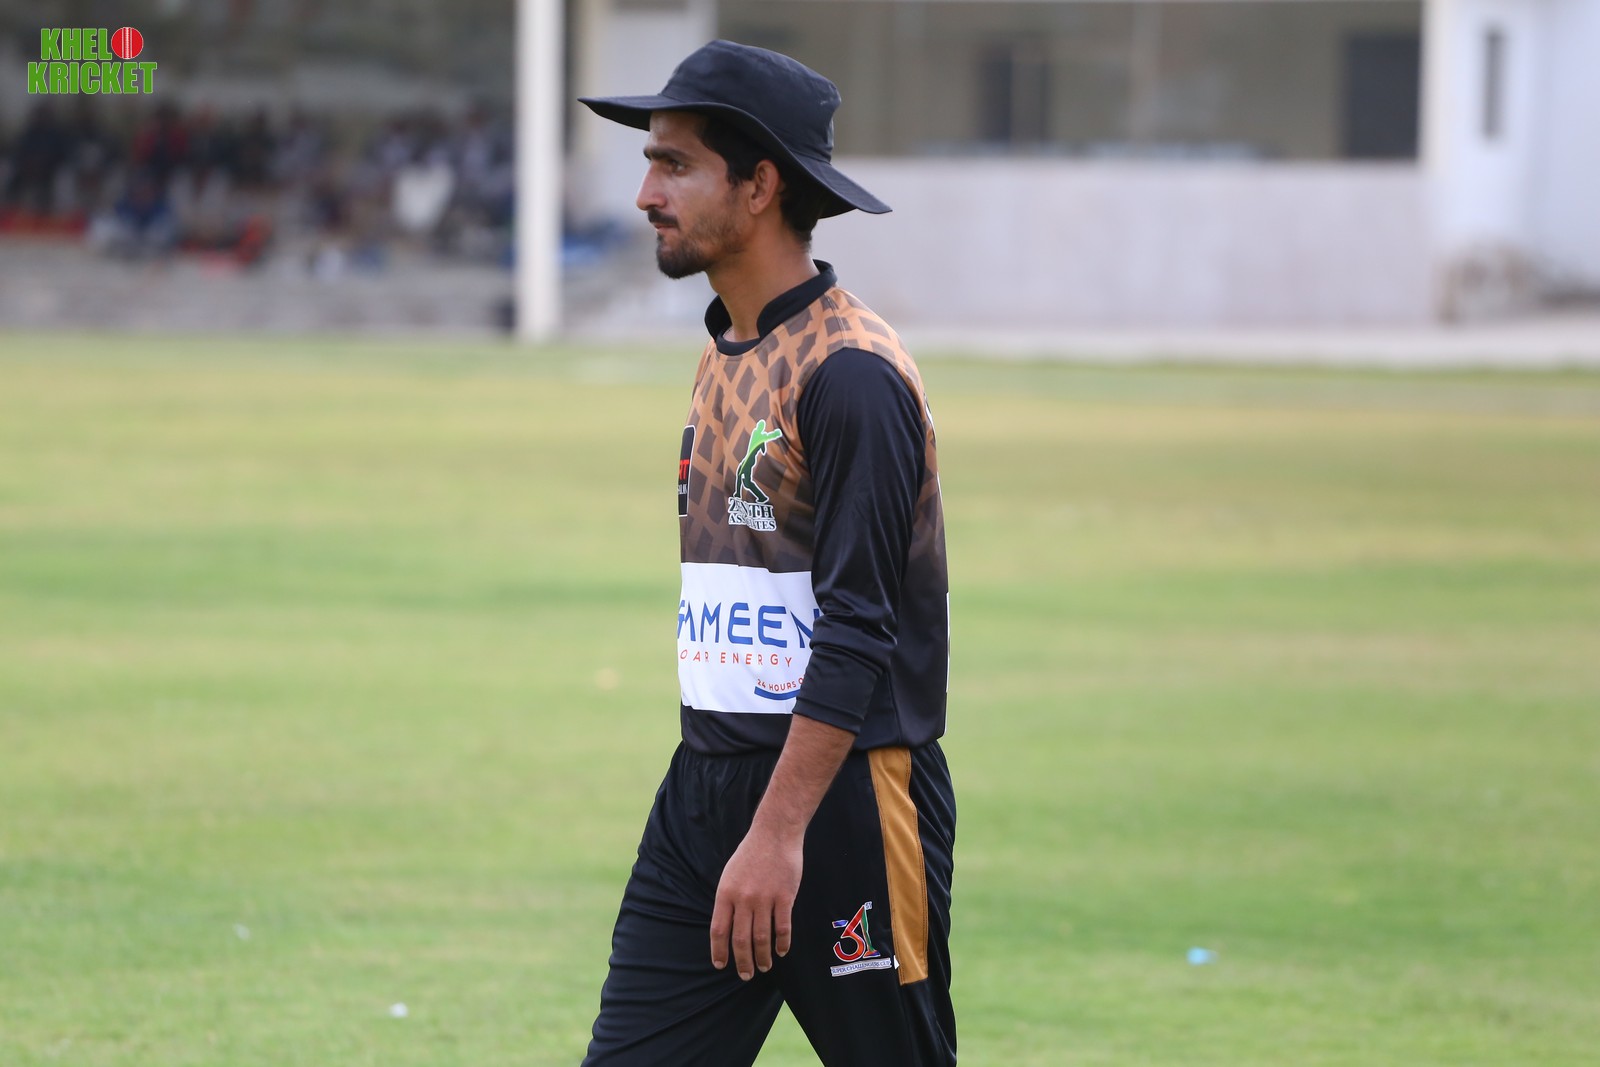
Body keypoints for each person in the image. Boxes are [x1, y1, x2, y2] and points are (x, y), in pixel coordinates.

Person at [576, 40, 955, 1067]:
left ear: (759, 186)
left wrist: (781, 831)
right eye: (650, 163)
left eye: (675, 165)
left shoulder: (852, 373)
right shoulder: (728, 347)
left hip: (840, 804)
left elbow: (860, 624)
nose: (646, 194)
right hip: (705, 789)